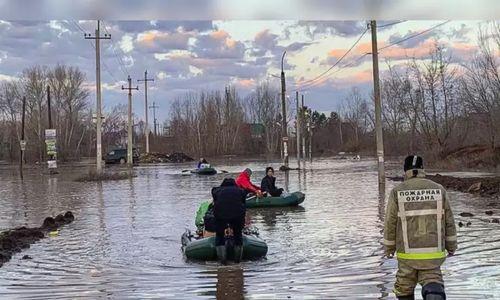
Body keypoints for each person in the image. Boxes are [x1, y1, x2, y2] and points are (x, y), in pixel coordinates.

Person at [384, 155, 457, 300]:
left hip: (407, 256)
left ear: (405, 171)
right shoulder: (439, 190)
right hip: (433, 256)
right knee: (434, 286)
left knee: (404, 289)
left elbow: (390, 222)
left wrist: (389, 248)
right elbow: (449, 221)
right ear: (422, 169)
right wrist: (451, 246)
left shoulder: (397, 192)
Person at [212, 178, 247, 264]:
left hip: (221, 215)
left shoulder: (216, 191)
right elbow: (243, 202)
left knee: (219, 235)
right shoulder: (241, 191)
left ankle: (223, 261)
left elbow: (214, 198)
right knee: (238, 235)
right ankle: (237, 261)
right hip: (237, 215)